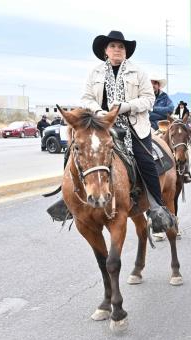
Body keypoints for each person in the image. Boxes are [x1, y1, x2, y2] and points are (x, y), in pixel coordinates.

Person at [46, 30, 176, 233]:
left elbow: (149, 100)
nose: (117, 49)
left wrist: (125, 106)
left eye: (121, 47)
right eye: (113, 46)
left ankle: (157, 207)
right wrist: (98, 110)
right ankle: (68, 199)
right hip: (101, 123)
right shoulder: (95, 73)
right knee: (75, 151)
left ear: (126, 51)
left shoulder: (138, 73)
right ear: (105, 50)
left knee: (146, 160)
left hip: (132, 125)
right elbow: (86, 98)